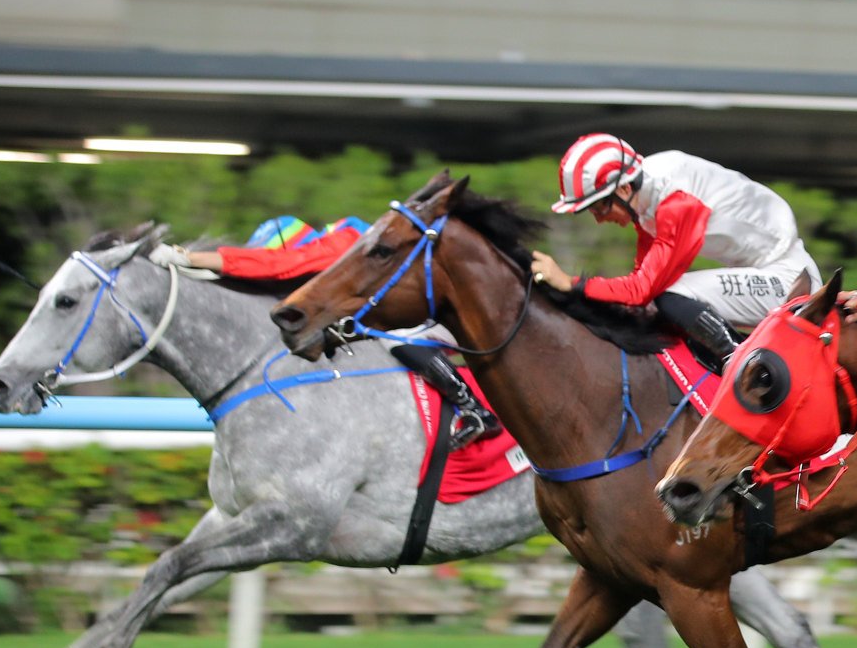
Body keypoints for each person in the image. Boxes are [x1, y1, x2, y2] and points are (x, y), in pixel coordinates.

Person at [173, 215, 501, 447]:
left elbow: (278, 265)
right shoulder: (342, 242)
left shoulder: (339, 245)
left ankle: (474, 410)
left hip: (457, 311)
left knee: (399, 337)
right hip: (434, 303)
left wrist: (189, 257)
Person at [528, 133, 823, 373]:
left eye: (598, 207)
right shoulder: (647, 198)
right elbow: (641, 279)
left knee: (672, 297)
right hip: (766, 269)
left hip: (788, 280)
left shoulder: (676, 204)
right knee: (662, 304)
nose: (599, 218)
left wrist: (572, 284)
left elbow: (642, 289)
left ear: (623, 189)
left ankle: (749, 367)